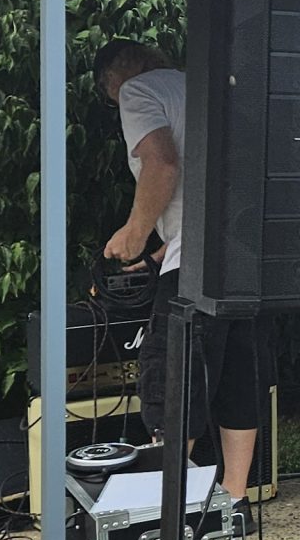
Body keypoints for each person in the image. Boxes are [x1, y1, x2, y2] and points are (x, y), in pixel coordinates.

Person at [94, 40, 264, 496]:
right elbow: (207, 193)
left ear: (112, 78)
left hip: (193, 268)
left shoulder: (138, 91)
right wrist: (155, 256)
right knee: (236, 381)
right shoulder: (206, 91)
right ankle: (235, 498)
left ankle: (165, 509)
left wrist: (134, 232)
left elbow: (163, 163)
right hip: (244, 261)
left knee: (173, 377)